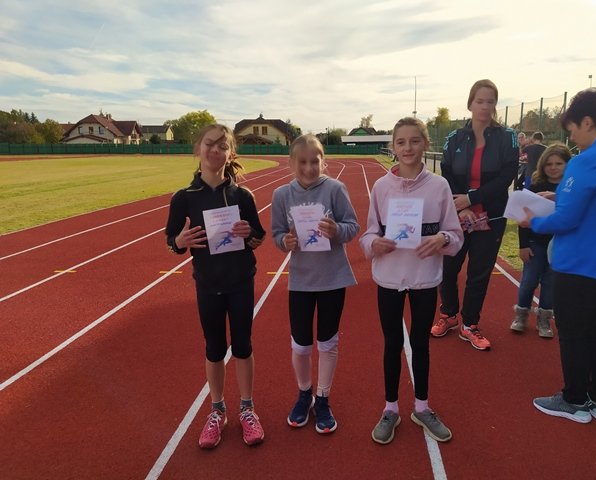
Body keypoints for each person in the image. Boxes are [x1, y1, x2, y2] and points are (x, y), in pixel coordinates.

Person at [520, 90, 596, 423]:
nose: (571, 137)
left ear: (587, 122)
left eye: (572, 129)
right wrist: (559, 195)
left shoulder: (587, 160)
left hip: (581, 264)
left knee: (573, 332)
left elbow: (566, 220)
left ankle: (574, 399)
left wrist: (533, 221)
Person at [360, 117, 463, 445]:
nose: (407, 148)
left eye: (414, 141)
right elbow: (368, 233)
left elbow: (455, 234)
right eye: (401, 142)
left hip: (424, 279)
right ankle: (390, 409)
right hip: (389, 278)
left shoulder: (439, 186)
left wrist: (443, 238)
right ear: (393, 146)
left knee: (420, 343)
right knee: (392, 344)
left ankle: (422, 407)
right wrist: (373, 244)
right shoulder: (381, 188)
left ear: (425, 144)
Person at [165, 124, 266, 448]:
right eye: (209, 144)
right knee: (213, 348)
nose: (215, 150)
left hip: (240, 282)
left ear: (230, 154)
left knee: (243, 345)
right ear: (198, 149)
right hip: (207, 284)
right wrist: (180, 241)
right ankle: (217, 410)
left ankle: (247, 409)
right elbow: (171, 241)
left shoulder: (242, 196)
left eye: (222, 146)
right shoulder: (184, 198)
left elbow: (259, 236)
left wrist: (248, 234)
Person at [271, 133, 359, 434]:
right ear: (291, 163)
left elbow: (352, 227)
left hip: (333, 278)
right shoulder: (282, 195)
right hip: (301, 281)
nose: (309, 168)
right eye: (303, 162)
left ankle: (322, 398)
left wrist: (336, 230)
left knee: (328, 341)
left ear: (323, 161)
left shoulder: (335, 189)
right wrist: (285, 241)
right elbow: (277, 234)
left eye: (314, 161)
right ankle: (304, 393)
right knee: (300, 343)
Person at [431, 79, 519, 350]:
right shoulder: (454, 138)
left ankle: (470, 324)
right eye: (480, 101)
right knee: (448, 268)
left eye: (490, 101)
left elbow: (506, 176)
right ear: (470, 103)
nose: (485, 106)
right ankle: (449, 314)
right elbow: (446, 173)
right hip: (457, 215)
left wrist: (473, 198)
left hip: (491, 217)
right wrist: (463, 205)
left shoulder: (507, 137)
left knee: (479, 274)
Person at [511, 144, 571, 337]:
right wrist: (523, 245)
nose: (553, 167)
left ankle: (544, 319)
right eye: (549, 164)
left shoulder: (571, 189)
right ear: (542, 165)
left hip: (559, 244)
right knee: (529, 281)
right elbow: (523, 217)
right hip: (535, 243)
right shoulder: (536, 186)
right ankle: (521, 315)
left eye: (559, 163)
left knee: (550, 283)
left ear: (568, 164)